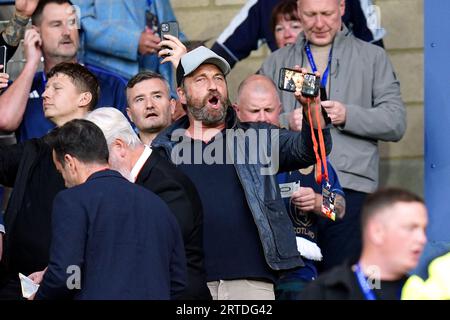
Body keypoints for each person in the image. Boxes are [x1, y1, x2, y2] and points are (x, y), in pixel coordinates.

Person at [151, 46, 331, 299]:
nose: (213, 86)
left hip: (250, 282)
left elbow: (309, 151)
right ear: (181, 94)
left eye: (218, 78)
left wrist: (312, 108)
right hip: (187, 286)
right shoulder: (162, 151)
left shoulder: (257, 136)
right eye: (201, 80)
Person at [259, 0, 406, 271]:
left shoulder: (372, 57)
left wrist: (346, 114)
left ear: (342, 7)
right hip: (291, 192)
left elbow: (395, 121)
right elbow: (251, 119)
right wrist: (285, 121)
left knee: (342, 280)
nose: (318, 23)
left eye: (326, 13)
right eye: (310, 14)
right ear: (299, 11)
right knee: (296, 283)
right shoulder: (277, 61)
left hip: (349, 189)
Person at [27, 119, 186, 300]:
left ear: (70, 162)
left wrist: (40, 296)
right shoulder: (157, 204)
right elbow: (178, 282)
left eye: (60, 171)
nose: (63, 181)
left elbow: (66, 275)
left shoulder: (72, 200)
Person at [234, 74, 345, 299]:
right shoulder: (225, 155)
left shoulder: (304, 152)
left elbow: (340, 209)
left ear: (280, 108)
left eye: (268, 110)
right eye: (254, 111)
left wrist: (318, 202)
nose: (263, 118)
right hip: (247, 270)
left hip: (298, 274)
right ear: (236, 111)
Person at [85, 107, 211, 300]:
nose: (96, 169)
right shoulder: (136, 181)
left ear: (119, 147)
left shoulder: (167, 185)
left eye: (99, 158)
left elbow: (146, 250)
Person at [0, 62, 98, 299]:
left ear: (83, 98)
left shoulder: (103, 152)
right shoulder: (35, 149)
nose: (45, 93)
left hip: (72, 287)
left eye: (57, 88)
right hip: (17, 284)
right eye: (46, 88)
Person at [0, 0, 128, 143]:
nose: (67, 32)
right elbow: (4, 121)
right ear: (36, 33)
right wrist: (31, 64)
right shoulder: (24, 87)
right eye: (56, 24)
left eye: (72, 23)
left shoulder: (112, 85)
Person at [300, 188, 427, 300]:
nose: (422, 239)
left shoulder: (427, 292)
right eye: (411, 228)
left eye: (424, 229)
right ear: (377, 232)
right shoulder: (324, 292)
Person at [211, 0, 385, 69]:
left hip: (347, 95)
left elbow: (377, 57)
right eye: (280, 28)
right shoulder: (262, 4)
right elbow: (222, 52)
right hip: (290, 95)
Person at [72, 0, 187, 95]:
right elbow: (79, 23)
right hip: (110, 79)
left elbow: (170, 27)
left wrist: (172, 93)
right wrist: (133, 41)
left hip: (159, 81)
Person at [125, 71, 175, 146]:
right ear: (130, 114)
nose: (149, 105)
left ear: (172, 106)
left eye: (157, 96)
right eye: (140, 100)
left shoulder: (194, 150)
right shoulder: (121, 156)